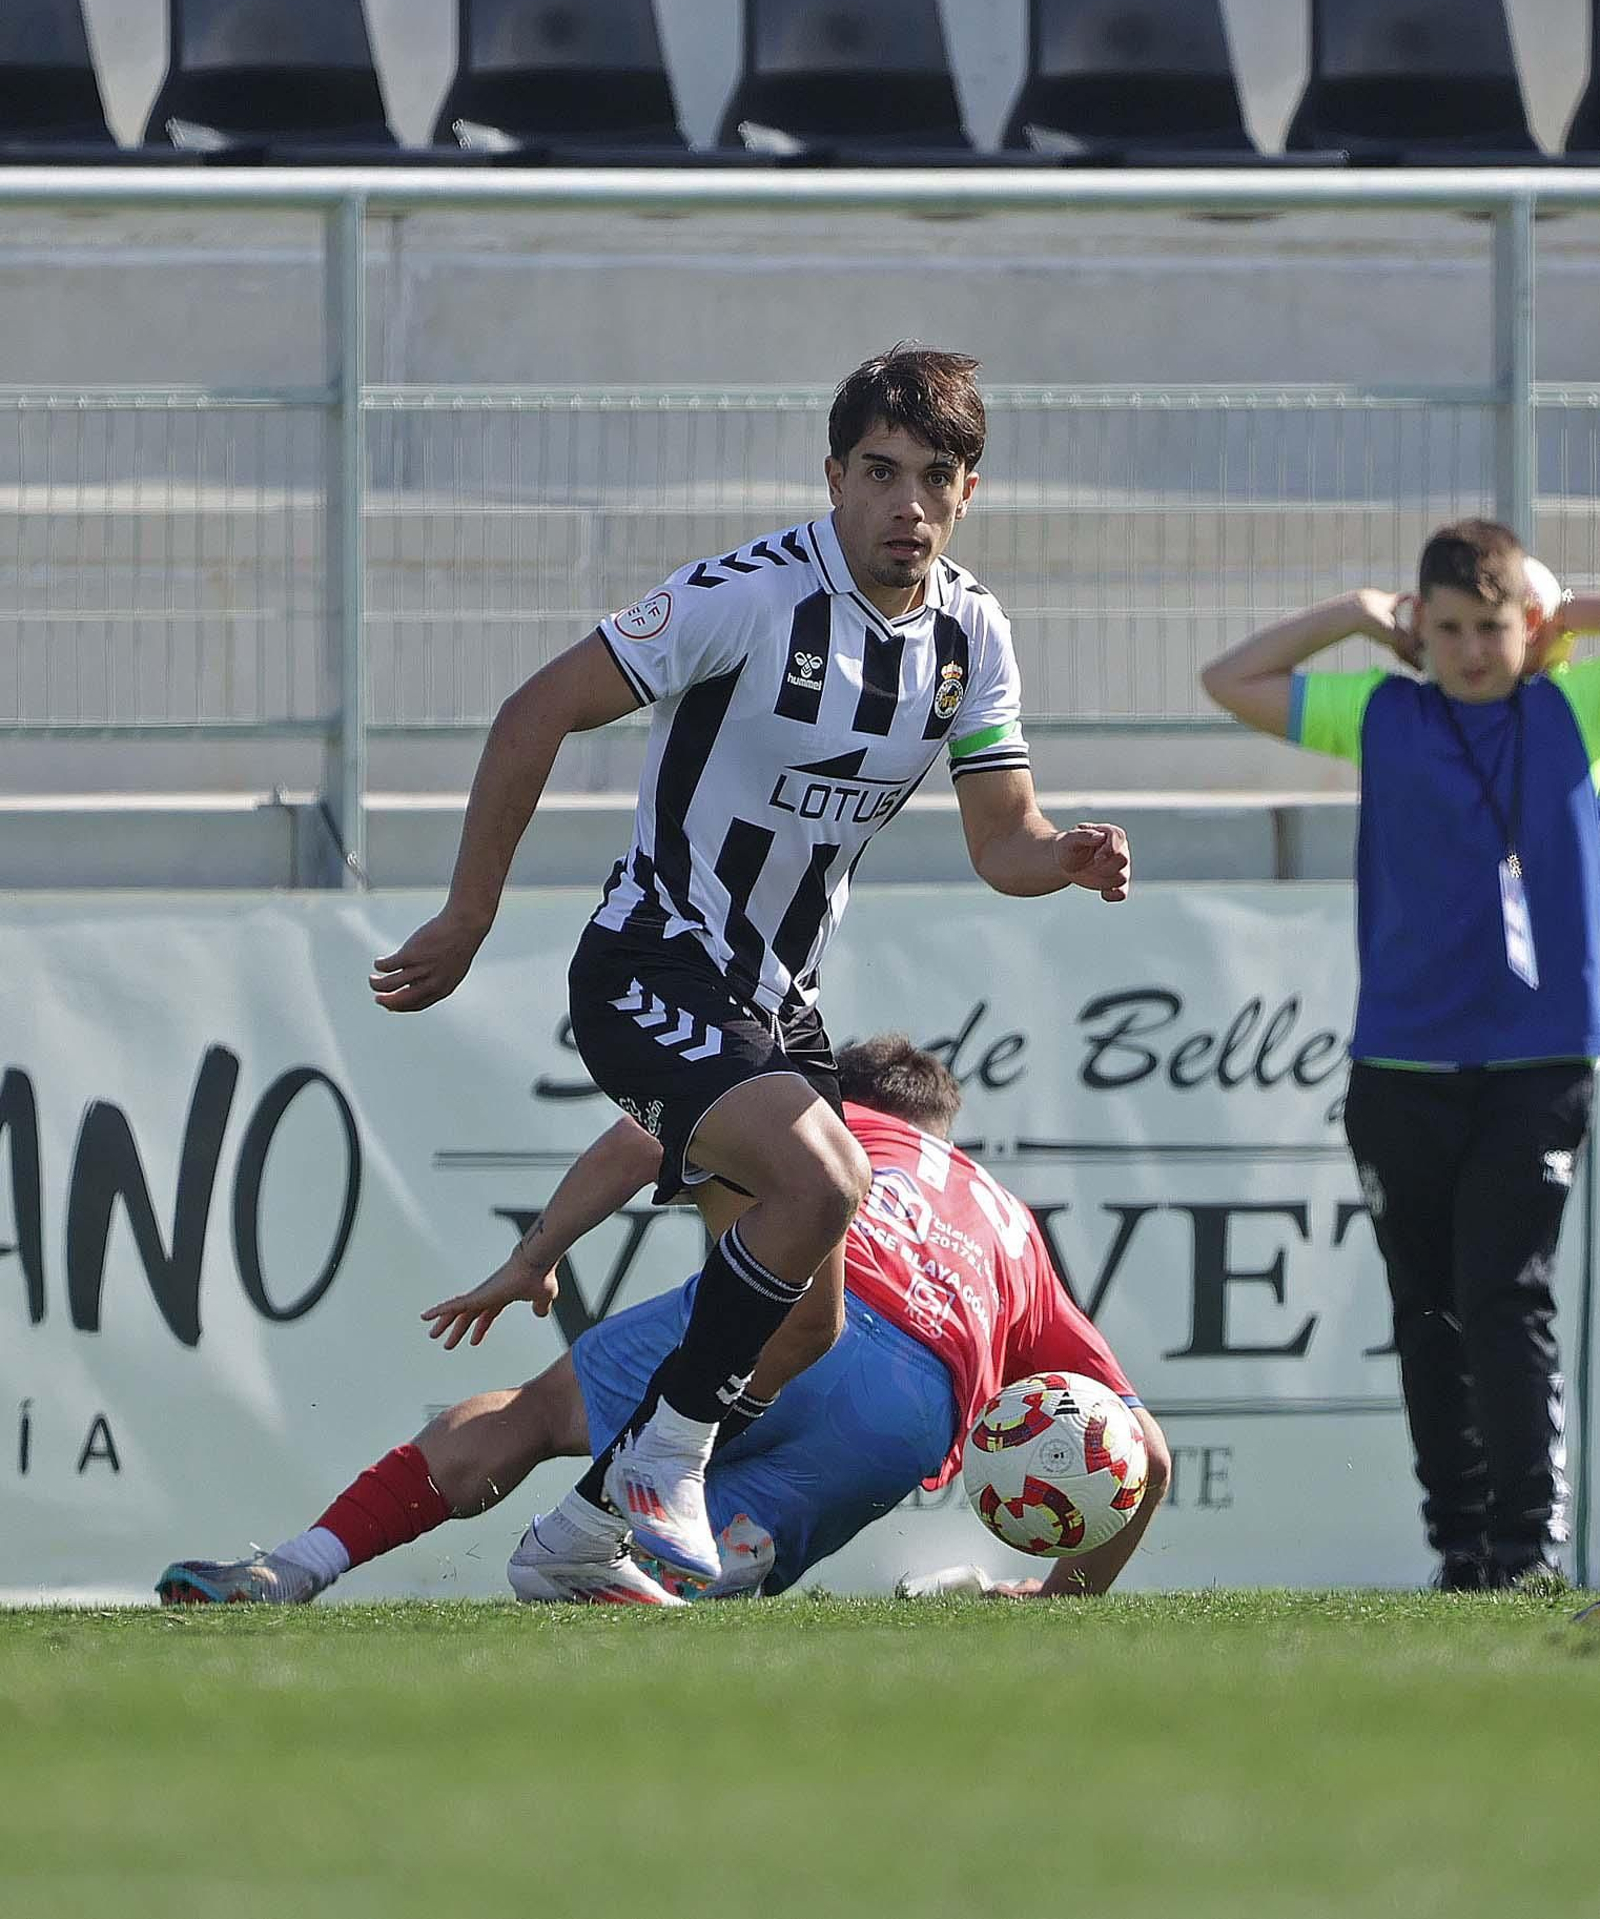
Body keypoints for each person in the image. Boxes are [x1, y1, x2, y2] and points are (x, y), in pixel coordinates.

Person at [364, 347, 1131, 1591]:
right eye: (879, 474)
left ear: (969, 490)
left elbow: (1003, 841)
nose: (907, 507)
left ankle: (578, 1534)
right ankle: (667, 1455)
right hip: (648, 964)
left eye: (935, 479)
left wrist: (1068, 855)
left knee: (809, 1322)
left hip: (779, 1009)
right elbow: (532, 710)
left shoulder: (972, 636)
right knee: (827, 1179)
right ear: (831, 476)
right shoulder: (748, 596)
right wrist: (468, 914)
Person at [156, 1037, 1170, 1607]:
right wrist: (1060, 1601)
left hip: (808, 1295)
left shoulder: (827, 1119)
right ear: (946, 1133)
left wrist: (535, 1255)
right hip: (906, 1414)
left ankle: (297, 1566)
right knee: (671, 1580)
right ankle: (700, 1588)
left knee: (535, 1416)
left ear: (850, 1099)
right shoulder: (1006, 1222)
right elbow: (1147, 1458)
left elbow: (642, 1139)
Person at [1201, 520, 1600, 1592]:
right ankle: (1460, 1549)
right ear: (1422, 629)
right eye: (1454, 628)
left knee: (1505, 1296)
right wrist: (1352, 614)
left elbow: (1548, 637)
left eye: (1496, 626)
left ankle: (1528, 1549)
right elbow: (1226, 678)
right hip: (1402, 1070)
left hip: (1536, 1063)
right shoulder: (1383, 713)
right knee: (1426, 1313)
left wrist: (1571, 615)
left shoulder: (1570, 706)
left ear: (1529, 626)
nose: (1475, 650)